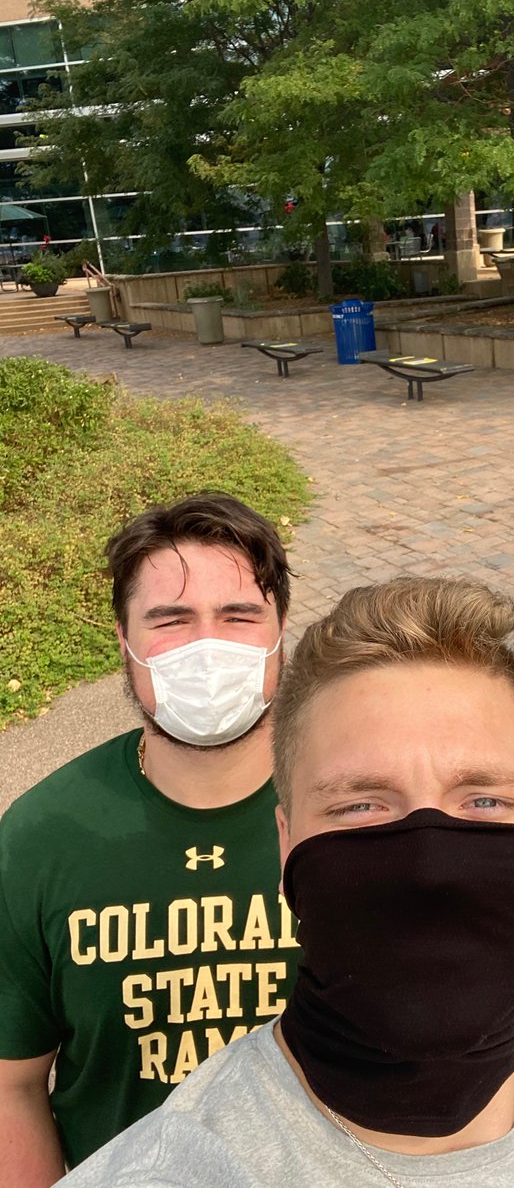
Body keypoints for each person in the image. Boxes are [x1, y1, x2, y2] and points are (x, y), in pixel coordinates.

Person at [59, 577, 514, 1188]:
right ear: (286, 849)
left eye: (485, 802)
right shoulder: (174, 1169)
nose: (430, 866)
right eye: (360, 807)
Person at [0, 492, 300, 1186]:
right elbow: (12, 1085)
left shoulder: (357, 813)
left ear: (280, 632)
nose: (207, 645)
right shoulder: (43, 836)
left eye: (239, 616)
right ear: (124, 643)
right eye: (170, 620)